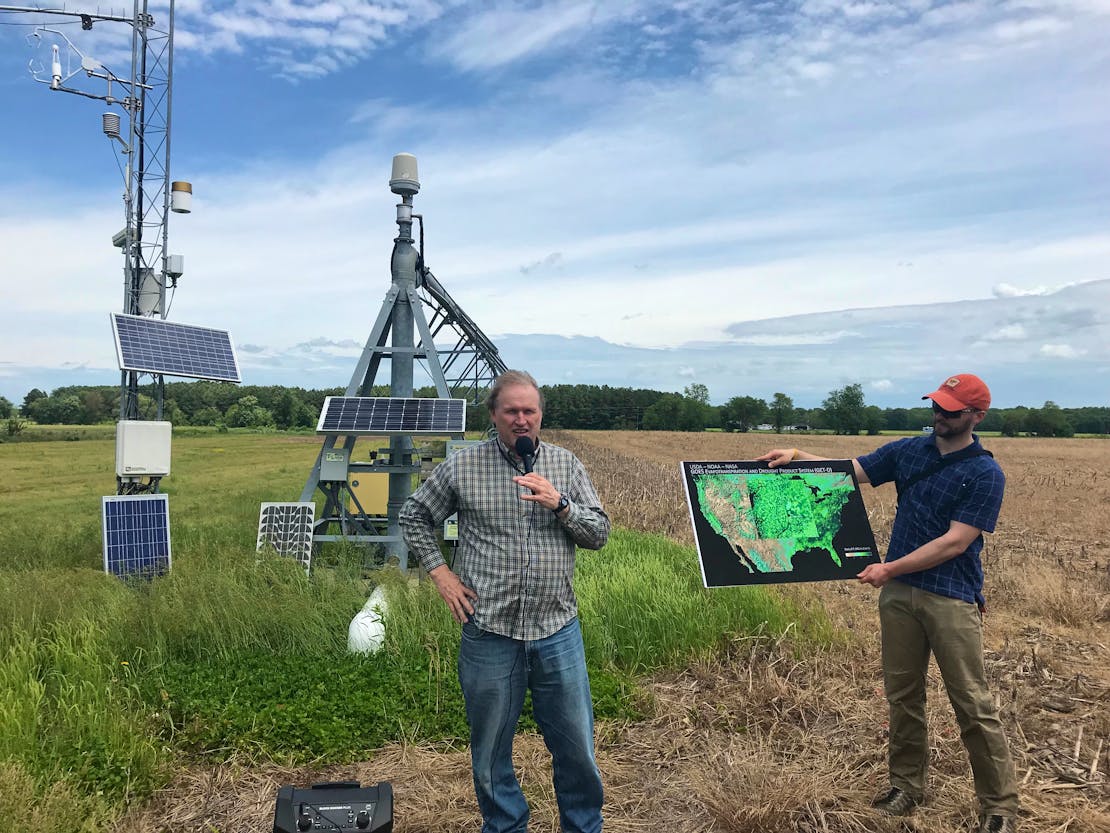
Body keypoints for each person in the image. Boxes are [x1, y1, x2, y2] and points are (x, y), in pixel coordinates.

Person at [758, 373, 1019, 833]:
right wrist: (797, 456)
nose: (939, 415)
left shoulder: (985, 473)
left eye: (951, 411)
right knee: (902, 695)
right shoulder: (909, 450)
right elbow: (851, 471)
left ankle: (998, 808)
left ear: (977, 416)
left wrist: (890, 569)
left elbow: (955, 542)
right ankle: (906, 787)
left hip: (951, 596)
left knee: (972, 704)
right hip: (900, 597)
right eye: (936, 406)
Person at [399, 370, 610, 833]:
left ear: (540, 416)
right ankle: (505, 826)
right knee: (491, 748)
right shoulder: (463, 467)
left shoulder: (566, 465)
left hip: (557, 630)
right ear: (493, 415)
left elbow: (599, 535)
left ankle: (582, 826)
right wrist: (441, 575)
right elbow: (414, 515)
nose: (521, 420)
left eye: (529, 411)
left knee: (576, 746)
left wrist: (561, 504)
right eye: (511, 411)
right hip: (489, 631)